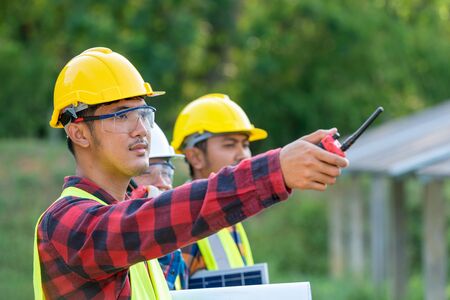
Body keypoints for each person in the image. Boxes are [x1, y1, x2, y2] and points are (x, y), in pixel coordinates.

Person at [34, 47, 348, 299]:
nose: (142, 129)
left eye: (143, 113)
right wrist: (274, 171)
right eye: (121, 116)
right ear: (79, 133)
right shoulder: (64, 224)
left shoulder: (128, 211)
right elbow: (158, 216)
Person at [171, 93, 265, 275]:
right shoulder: (182, 220)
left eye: (245, 145)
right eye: (230, 145)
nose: (243, 155)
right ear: (195, 157)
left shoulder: (233, 217)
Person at [130, 123, 188, 290]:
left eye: (166, 172)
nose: (162, 183)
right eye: (147, 173)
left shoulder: (174, 241)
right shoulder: (115, 241)